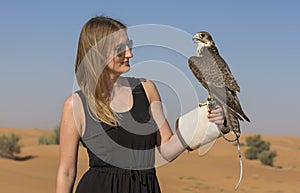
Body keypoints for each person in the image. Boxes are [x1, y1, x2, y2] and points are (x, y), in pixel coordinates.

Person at [55, 16, 225, 193]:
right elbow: (66, 172)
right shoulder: (76, 105)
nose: (130, 53)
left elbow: (167, 149)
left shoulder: (146, 89)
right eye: (121, 49)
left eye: (130, 45)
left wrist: (203, 120)